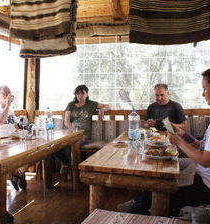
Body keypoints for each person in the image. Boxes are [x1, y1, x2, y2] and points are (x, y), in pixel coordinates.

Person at [118, 69, 210, 216]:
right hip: (197, 168)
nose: (202, 93)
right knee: (156, 168)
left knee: (160, 180)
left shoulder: (176, 106)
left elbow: (206, 160)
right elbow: (201, 146)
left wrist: (179, 142)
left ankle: (136, 211)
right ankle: (138, 204)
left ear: (168, 94)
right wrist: (183, 135)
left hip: (204, 181)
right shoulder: (152, 107)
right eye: (157, 95)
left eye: (204, 88)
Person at [55, 84, 110, 177]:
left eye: (82, 93)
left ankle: (71, 171)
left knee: (70, 146)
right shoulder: (71, 105)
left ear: (87, 94)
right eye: (78, 94)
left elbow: (108, 106)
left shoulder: (91, 104)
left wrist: (102, 110)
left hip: (84, 135)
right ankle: (67, 164)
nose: (80, 96)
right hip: (71, 133)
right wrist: (73, 131)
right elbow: (67, 121)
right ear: (75, 95)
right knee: (54, 147)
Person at [0, 85, 27, 192]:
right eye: (5, 94)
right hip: (1, 141)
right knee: (17, 154)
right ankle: (18, 174)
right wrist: (7, 106)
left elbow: (14, 125)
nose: (8, 96)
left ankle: (17, 174)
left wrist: (23, 126)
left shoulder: (10, 110)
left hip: (13, 139)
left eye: (9, 93)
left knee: (30, 150)